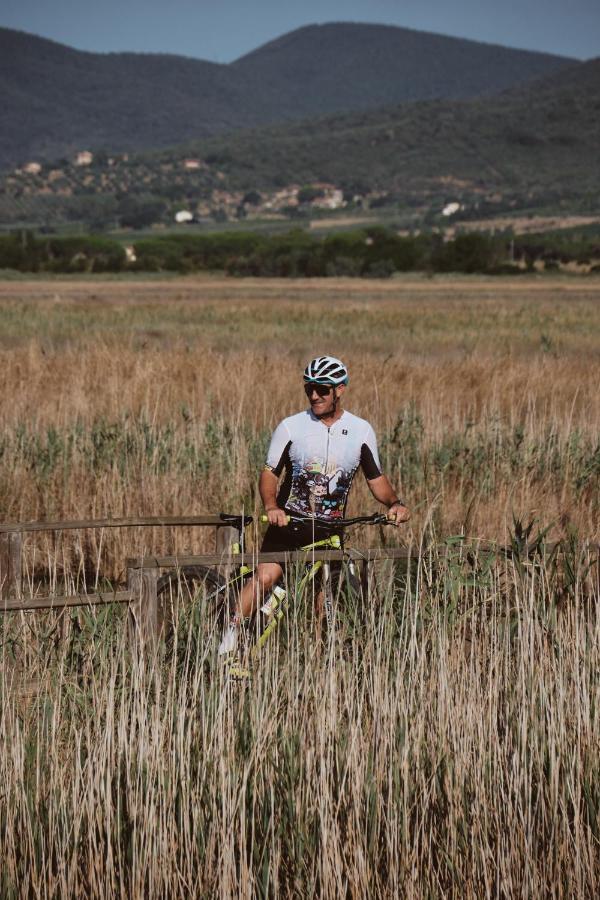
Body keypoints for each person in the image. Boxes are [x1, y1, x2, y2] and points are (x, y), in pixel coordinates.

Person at [218, 355, 410, 655]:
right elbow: (269, 474)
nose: (314, 395)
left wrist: (395, 503)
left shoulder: (361, 431)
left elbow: (377, 480)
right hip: (289, 525)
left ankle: (323, 657)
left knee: (326, 596)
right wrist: (271, 506)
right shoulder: (292, 427)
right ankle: (227, 639)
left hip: (329, 530)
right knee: (266, 578)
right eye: (309, 388)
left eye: (322, 389)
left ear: (340, 390)